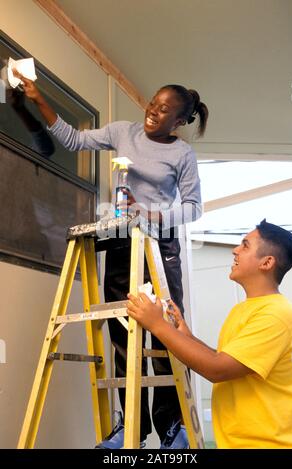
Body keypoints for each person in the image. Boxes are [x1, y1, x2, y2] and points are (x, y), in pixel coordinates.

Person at [13, 69, 209, 449]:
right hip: (121, 239)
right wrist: (38, 98)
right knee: (121, 334)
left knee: (165, 333)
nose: (153, 110)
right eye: (153, 102)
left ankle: (170, 425)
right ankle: (130, 426)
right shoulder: (124, 131)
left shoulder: (183, 154)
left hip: (160, 246)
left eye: (164, 109)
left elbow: (193, 208)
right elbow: (73, 139)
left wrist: (151, 216)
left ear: (180, 121)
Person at [127, 220, 292, 449]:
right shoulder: (246, 309)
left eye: (245, 246)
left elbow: (217, 369)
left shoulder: (276, 316)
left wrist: (158, 325)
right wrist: (186, 335)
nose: (235, 250)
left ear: (267, 262)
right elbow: (226, 359)